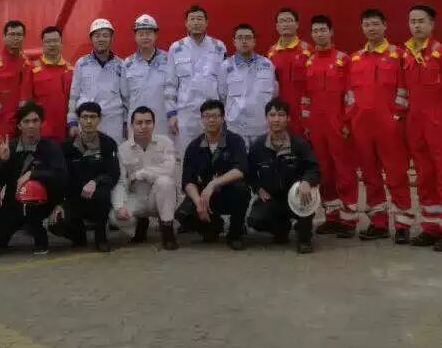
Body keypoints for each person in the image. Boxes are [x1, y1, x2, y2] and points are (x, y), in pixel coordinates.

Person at [402, 4, 442, 252]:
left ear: (431, 25)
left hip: (439, 122)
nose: (416, 25)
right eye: (412, 21)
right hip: (415, 123)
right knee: (424, 175)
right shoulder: (406, 54)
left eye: (421, 21)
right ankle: (431, 227)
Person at [347, 8, 413, 242]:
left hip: (389, 127)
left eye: (375, 24)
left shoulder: (399, 56)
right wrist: (351, 119)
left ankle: (403, 224)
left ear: (385, 26)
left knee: (396, 175)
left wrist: (397, 119)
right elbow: (350, 94)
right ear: (362, 28)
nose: (371, 28)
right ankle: (378, 222)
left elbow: (405, 90)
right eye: (367, 25)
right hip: (362, 126)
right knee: (369, 176)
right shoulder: (355, 59)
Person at [0, 101, 68, 255]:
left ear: (41, 123)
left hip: (43, 204)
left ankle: (40, 232)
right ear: (19, 125)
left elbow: (61, 176)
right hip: (14, 203)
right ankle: (21, 224)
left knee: (63, 226)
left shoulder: (51, 147)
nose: (31, 125)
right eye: (26, 121)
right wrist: (2, 161)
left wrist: (33, 174)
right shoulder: (9, 147)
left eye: (35, 121)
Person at [304, 14, 359, 237]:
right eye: (315, 31)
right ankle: (332, 216)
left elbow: (351, 95)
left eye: (323, 30)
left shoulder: (343, 60)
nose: (319, 34)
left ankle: (349, 219)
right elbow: (306, 97)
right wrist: (307, 124)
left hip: (338, 125)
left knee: (344, 171)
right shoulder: (309, 61)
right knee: (324, 171)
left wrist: (347, 122)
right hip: (317, 126)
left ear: (331, 32)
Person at [247, 99, 321, 254]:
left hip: (297, 196)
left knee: (307, 199)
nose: (276, 119)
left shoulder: (300, 144)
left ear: (288, 118)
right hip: (273, 198)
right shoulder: (257, 146)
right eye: (272, 115)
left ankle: (304, 238)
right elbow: (249, 173)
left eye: (281, 115)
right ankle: (281, 228)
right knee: (255, 219)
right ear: (266, 118)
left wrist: (307, 182)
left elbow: (313, 168)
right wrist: (258, 188)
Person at [176, 99, 250, 250]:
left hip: (228, 194)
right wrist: (198, 202)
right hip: (204, 197)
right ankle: (213, 225)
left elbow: (241, 169)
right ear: (202, 119)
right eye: (207, 116)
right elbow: (187, 181)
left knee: (242, 190)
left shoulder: (235, 141)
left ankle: (235, 233)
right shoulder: (194, 146)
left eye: (215, 116)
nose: (211, 120)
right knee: (182, 215)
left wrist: (214, 183)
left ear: (223, 118)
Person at [52, 101, 120, 252]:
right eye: (85, 117)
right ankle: (78, 234)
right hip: (74, 197)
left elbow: (113, 173)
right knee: (54, 223)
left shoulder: (108, 144)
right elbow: (59, 177)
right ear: (78, 119)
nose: (89, 121)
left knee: (103, 193)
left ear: (99, 119)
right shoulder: (66, 147)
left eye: (93, 117)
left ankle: (101, 237)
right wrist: (59, 203)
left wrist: (95, 182)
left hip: (98, 196)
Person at [0, 20, 34, 222]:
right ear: (4, 36)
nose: (16, 38)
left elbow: (28, 94)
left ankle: (15, 210)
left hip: (21, 124)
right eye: (12, 34)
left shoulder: (27, 62)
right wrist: (0, 117)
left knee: (21, 165)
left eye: (19, 34)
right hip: (1, 124)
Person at [112, 106, 179, 250]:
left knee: (165, 182)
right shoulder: (123, 149)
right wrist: (119, 206)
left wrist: (139, 174)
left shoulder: (165, 142)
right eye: (139, 122)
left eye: (148, 122)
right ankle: (140, 223)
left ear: (154, 124)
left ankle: (167, 231)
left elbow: (169, 170)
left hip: (160, 196)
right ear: (132, 125)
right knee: (114, 216)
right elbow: (121, 181)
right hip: (137, 198)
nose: (144, 126)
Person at [166, 5, 227, 152]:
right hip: (186, 113)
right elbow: (170, 84)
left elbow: (225, 84)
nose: (196, 22)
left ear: (207, 22)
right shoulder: (176, 48)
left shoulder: (218, 47)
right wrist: (171, 114)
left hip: (212, 113)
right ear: (186, 23)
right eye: (192, 19)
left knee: (214, 153)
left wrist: (225, 113)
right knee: (187, 154)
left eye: (200, 19)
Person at [68, 19, 127, 141]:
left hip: (113, 122)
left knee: (113, 151)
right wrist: (72, 121)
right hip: (87, 120)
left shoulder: (121, 65)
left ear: (111, 38)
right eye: (97, 36)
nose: (101, 39)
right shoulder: (82, 64)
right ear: (91, 39)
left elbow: (126, 97)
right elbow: (74, 95)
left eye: (105, 35)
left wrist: (126, 122)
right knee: (87, 151)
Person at [220, 23, 277, 144]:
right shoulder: (225, 66)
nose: (244, 41)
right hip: (235, 129)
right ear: (234, 42)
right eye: (240, 38)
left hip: (262, 128)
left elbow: (273, 94)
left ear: (254, 41)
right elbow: (222, 95)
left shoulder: (267, 65)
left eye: (248, 37)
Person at [123, 15, 171, 136]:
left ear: (156, 35)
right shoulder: (128, 63)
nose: (145, 37)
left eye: (149, 33)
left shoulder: (168, 59)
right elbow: (124, 97)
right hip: (137, 123)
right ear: (135, 36)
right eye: (141, 34)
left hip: (163, 122)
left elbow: (174, 90)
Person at [267, 8, 312, 137]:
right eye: (282, 21)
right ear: (277, 26)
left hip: (302, 111)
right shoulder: (271, 53)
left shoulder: (308, 51)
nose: (285, 24)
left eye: (289, 20)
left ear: (296, 24)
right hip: (279, 112)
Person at [31, 26, 74, 142]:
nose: (52, 45)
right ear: (42, 44)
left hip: (65, 132)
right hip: (40, 133)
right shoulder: (31, 69)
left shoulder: (71, 71)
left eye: (55, 41)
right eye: (48, 41)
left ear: (61, 43)